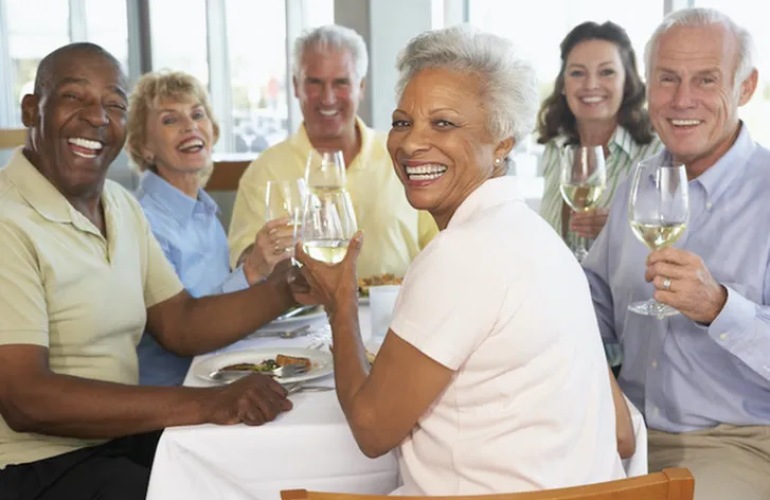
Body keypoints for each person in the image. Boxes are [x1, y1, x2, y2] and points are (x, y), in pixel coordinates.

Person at [291, 25, 629, 495]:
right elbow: (623, 434)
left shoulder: (462, 254)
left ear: (504, 142)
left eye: (443, 123)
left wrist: (341, 300)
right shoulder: (541, 239)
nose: (410, 144)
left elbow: (371, 430)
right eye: (402, 121)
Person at [0, 43, 296, 500]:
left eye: (113, 104)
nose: (97, 116)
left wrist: (288, 289)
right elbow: (25, 398)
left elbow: (179, 324)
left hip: (117, 440)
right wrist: (209, 402)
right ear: (30, 109)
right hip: (36, 465)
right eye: (74, 97)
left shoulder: (118, 205)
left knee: (265, 467)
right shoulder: (7, 219)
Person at [582, 8, 770, 500]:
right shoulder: (636, 182)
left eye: (706, 80)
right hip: (622, 432)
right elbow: (594, 299)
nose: (683, 99)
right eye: (668, 79)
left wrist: (719, 308)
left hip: (736, 444)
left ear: (745, 87)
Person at [228, 24, 437, 280]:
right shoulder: (265, 170)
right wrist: (264, 254)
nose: (327, 98)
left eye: (340, 83)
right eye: (314, 83)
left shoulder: (402, 156)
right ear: (296, 86)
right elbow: (242, 266)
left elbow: (439, 246)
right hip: (305, 317)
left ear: (360, 87)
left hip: (400, 313)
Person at [125, 70, 295, 386]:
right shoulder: (142, 220)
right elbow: (188, 328)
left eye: (197, 114)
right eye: (169, 120)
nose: (190, 126)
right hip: (175, 400)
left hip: (219, 375)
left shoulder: (205, 212)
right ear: (144, 146)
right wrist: (252, 271)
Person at [537, 21, 662, 250]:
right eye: (577, 73)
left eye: (607, 72)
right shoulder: (555, 149)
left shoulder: (656, 152)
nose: (591, 84)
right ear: (563, 84)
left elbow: (677, 242)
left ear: (627, 82)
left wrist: (621, 232)